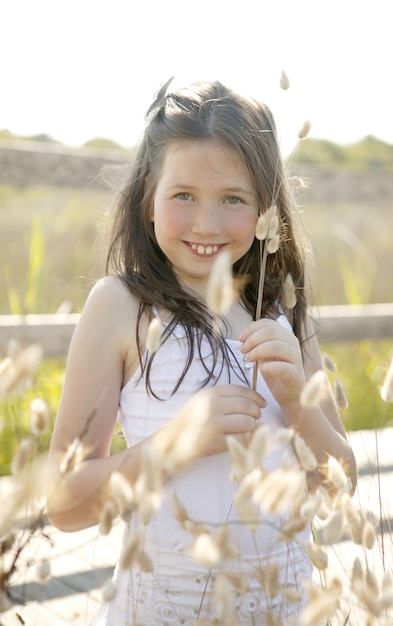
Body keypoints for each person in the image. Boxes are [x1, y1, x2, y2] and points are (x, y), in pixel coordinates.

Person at [47, 78, 357, 625]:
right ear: (148, 199)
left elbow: (340, 483)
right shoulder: (121, 307)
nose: (206, 224)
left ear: (266, 211)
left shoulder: (277, 311)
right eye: (183, 195)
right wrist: (176, 445)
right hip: (166, 609)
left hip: (281, 606)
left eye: (233, 199)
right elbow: (65, 503)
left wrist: (299, 402)